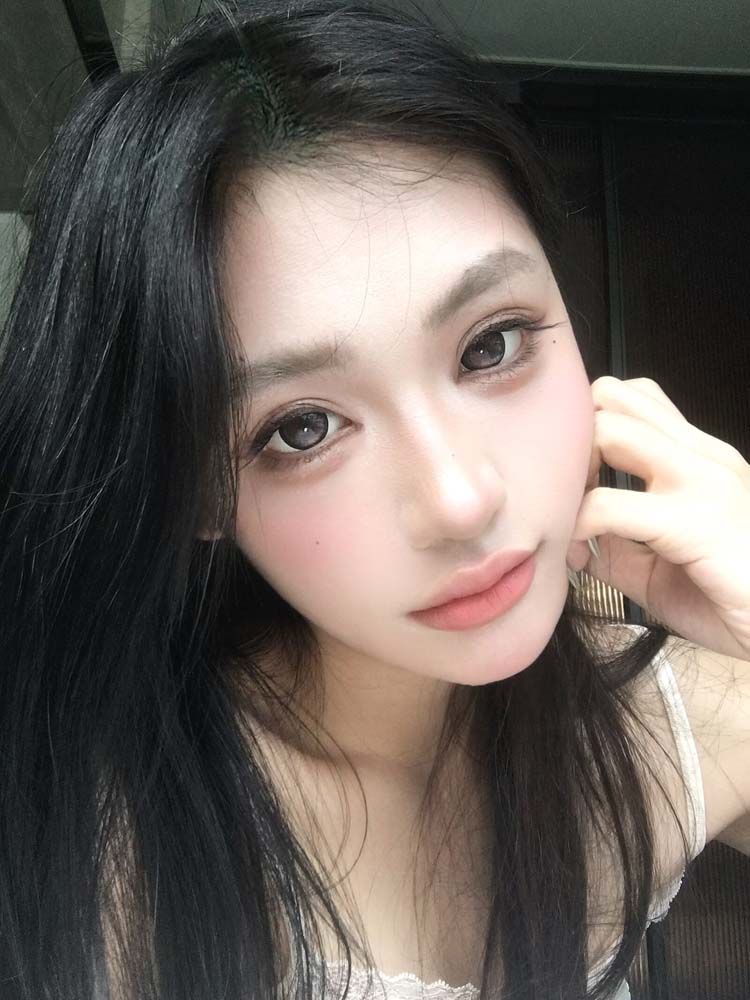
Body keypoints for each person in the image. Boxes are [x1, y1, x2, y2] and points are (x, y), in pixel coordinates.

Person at [1, 1, 749, 998]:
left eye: (492, 344)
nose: (461, 499)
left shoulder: (660, 715)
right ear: (196, 487)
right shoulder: (109, 857)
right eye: (301, 428)